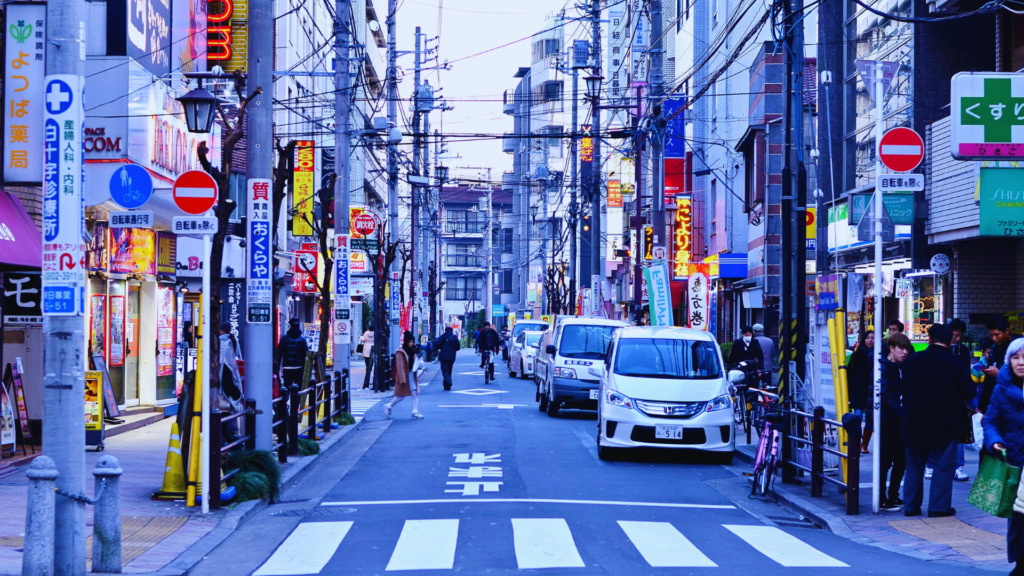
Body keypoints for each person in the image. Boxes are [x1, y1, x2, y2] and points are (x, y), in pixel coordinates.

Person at [900, 323, 975, 518]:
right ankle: (938, 507)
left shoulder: (912, 361)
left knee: (914, 467)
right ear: (950, 340)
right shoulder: (955, 363)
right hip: (947, 423)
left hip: (915, 421)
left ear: (929, 339)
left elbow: (904, 391)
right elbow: (969, 391)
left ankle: (911, 506)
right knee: (943, 466)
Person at [983, 339, 1024, 574]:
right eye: (1016, 357)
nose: (1021, 362)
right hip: (1016, 465)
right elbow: (991, 421)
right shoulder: (1002, 388)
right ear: (1009, 360)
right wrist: (994, 440)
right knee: (1018, 520)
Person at [879, 333, 911, 511]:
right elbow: (885, 394)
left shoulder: (902, 367)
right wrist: (900, 412)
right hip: (887, 421)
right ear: (891, 348)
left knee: (901, 461)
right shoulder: (883, 367)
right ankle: (882, 498)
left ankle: (893, 495)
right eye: (901, 348)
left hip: (899, 420)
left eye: (906, 348)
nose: (905, 352)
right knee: (885, 462)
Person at [847, 330, 876, 453]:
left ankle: (864, 444)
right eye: (868, 338)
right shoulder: (857, 354)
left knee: (870, 418)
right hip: (858, 389)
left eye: (873, 338)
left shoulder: (878, 354)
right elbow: (850, 372)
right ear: (863, 339)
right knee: (858, 416)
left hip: (871, 390)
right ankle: (857, 441)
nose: (870, 340)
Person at [982, 315, 1017, 414]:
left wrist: (999, 374)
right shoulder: (993, 349)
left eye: (997, 335)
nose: (994, 338)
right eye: (991, 335)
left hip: (1012, 404)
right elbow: (987, 383)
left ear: (1007, 331)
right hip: (994, 402)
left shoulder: (1017, 349)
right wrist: (983, 407)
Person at [385, 331, 423, 419]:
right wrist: (402, 379)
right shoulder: (400, 352)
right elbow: (400, 366)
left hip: (411, 375)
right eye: (410, 342)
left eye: (412, 342)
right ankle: (389, 405)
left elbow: (413, 363)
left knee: (414, 393)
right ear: (406, 341)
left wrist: (418, 360)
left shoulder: (412, 351)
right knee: (400, 396)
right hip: (404, 377)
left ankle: (414, 411)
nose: (411, 343)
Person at [277, 318, 309, 392]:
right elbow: (305, 354)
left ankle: (286, 402)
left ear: (290, 326)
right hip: (299, 367)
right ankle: (297, 403)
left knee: (286, 389)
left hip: (287, 367)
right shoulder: (302, 339)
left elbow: (279, 353)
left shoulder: (284, 339)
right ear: (298, 326)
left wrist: (278, 366)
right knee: (299, 389)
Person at [219, 323, 244, 412]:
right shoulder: (234, 340)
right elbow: (238, 355)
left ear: (222, 330)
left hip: (221, 368)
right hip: (231, 369)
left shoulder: (219, 340)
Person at [752, 324, 775, 388]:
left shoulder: (752, 341)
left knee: (754, 388)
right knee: (767, 387)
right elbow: (773, 353)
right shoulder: (770, 341)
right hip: (767, 367)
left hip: (755, 368)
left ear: (753, 331)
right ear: (762, 331)